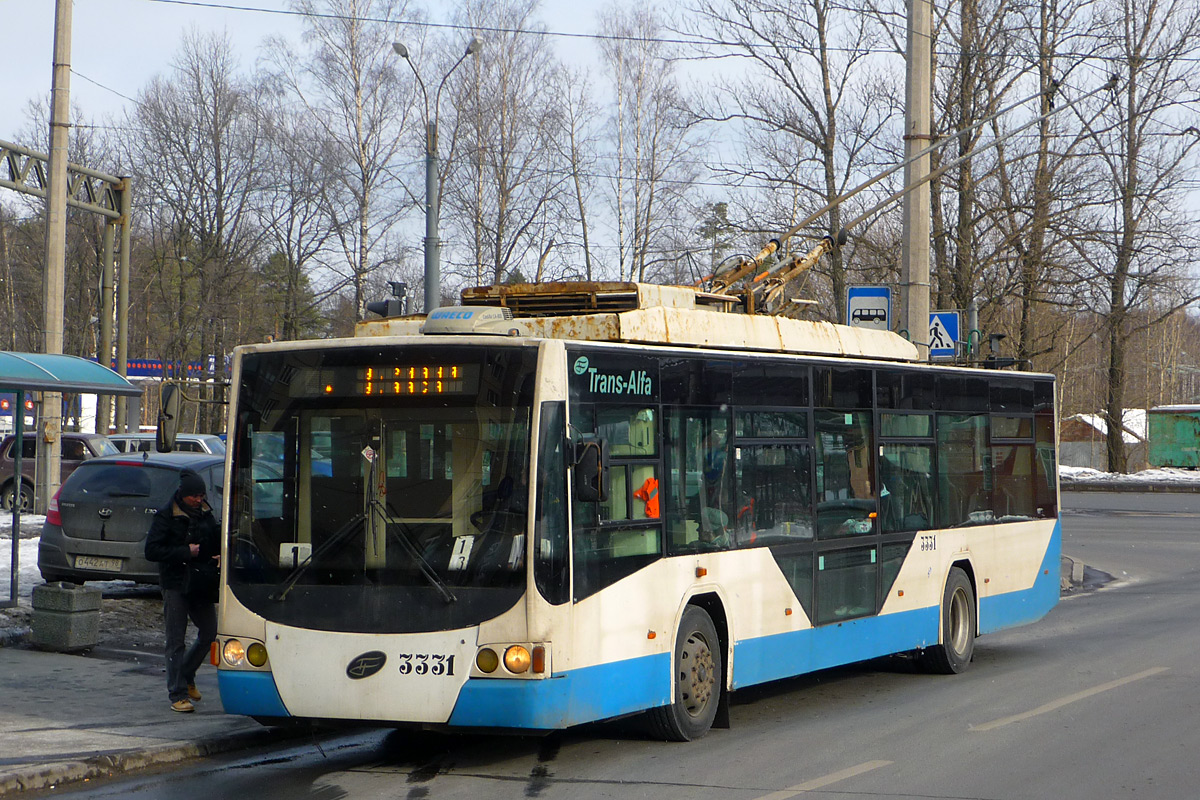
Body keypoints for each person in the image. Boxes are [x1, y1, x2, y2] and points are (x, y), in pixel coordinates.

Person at [145, 470, 220, 713]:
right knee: (176, 640)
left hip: (201, 581)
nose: (199, 500)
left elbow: (215, 538)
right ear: (183, 495)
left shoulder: (206, 513)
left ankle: (187, 674)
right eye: (195, 496)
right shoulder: (166, 516)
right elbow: (152, 551)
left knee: (210, 632)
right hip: (176, 582)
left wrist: (218, 553)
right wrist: (185, 552)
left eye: (202, 495)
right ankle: (177, 693)